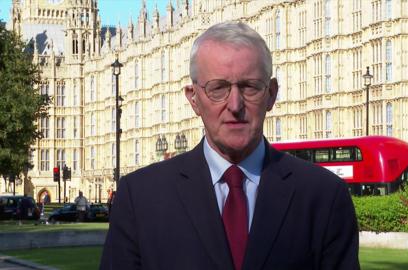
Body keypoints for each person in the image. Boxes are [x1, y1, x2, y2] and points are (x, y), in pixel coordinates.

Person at [100, 21, 359, 270]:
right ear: (194, 99)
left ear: (271, 94)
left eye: (250, 87)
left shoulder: (324, 196)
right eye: (218, 88)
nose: (235, 105)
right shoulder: (140, 197)